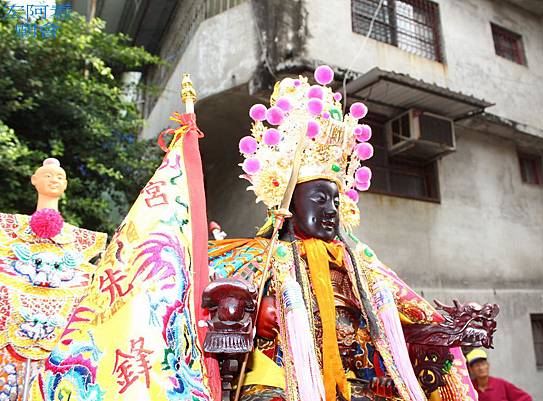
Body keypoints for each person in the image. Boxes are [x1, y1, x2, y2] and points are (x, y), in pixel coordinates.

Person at [205, 67, 494, 401]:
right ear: (288, 204)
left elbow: (411, 308)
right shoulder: (264, 255)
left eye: (336, 200)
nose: (330, 209)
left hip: (354, 384)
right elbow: (210, 293)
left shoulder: (359, 262)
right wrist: (254, 311)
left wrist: (453, 329)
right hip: (280, 383)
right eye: (318, 199)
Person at [0, 158, 107, 400]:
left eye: (59, 176)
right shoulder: (9, 229)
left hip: (58, 336)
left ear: (66, 184)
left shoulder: (80, 240)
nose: (54, 180)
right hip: (11, 330)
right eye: (48, 175)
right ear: (34, 180)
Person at [467, 349, 532, 401]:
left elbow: (526, 398)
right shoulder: (468, 388)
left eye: (483, 364)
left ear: (488, 365)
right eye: (477, 365)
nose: (481, 368)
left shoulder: (501, 384)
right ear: (471, 369)